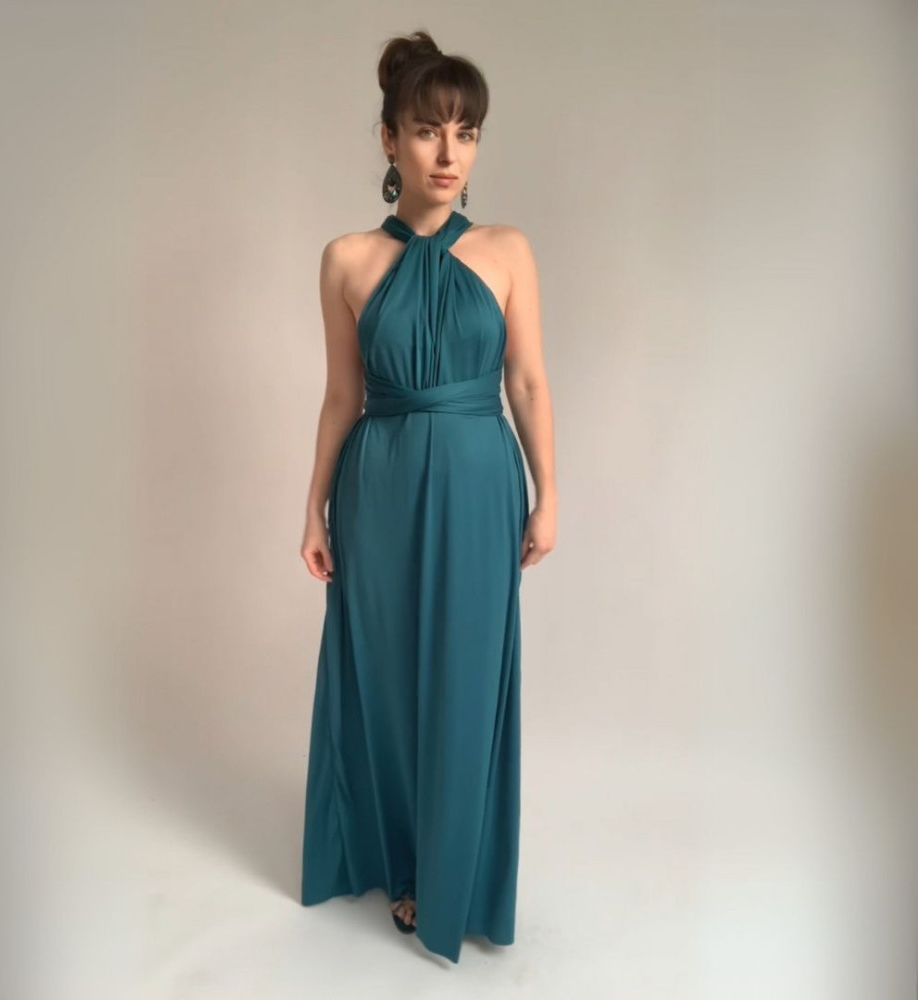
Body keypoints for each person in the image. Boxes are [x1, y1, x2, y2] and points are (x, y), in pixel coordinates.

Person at [299, 29, 557, 963]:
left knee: (467, 675)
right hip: (379, 488)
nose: (449, 153)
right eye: (427, 130)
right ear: (389, 140)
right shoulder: (345, 260)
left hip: (482, 483)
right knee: (390, 678)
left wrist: (549, 494)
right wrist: (313, 507)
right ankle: (406, 866)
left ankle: (461, 875)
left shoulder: (508, 250)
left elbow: (527, 382)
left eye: (467, 132)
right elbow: (341, 396)